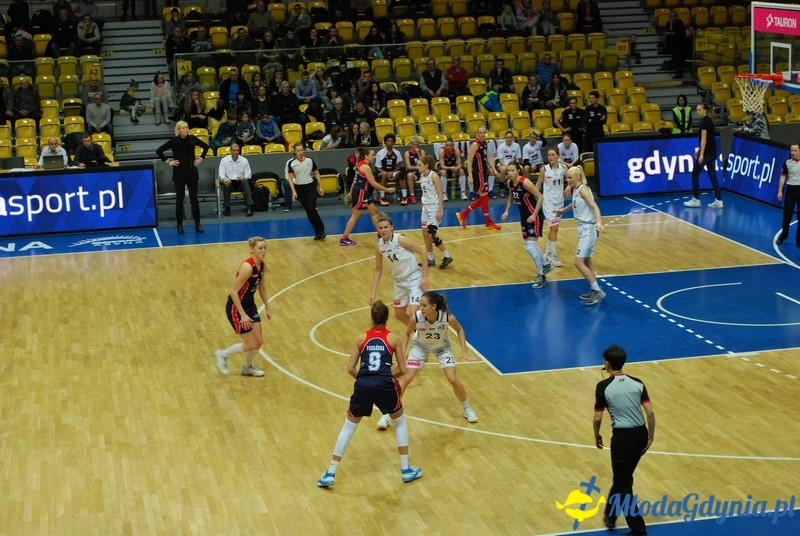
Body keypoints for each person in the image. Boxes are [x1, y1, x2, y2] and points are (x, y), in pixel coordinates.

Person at [316, 300, 421, 488]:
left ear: (372, 318)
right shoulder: (394, 339)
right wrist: (386, 377)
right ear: (387, 318)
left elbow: (350, 368)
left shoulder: (360, 338)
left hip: (363, 383)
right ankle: (406, 470)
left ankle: (330, 472)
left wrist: (364, 378)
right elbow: (403, 370)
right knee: (400, 422)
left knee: (348, 428)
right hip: (384, 383)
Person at [375, 290, 477, 430]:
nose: (420, 308)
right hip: (420, 347)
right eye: (420, 305)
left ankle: (467, 408)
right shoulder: (416, 318)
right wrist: (402, 356)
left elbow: (460, 330)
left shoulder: (446, 317)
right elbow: (406, 334)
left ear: (433, 306)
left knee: (452, 379)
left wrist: (464, 351)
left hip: (442, 348)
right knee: (407, 377)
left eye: (424, 305)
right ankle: (387, 414)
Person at [594, 344, 656, 536]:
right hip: (640, 434)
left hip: (622, 438)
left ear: (607, 363)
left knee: (623, 484)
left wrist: (597, 435)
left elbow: (597, 417)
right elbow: (650, 413)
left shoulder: (603, 386)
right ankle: (611, 517)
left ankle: (638, 530)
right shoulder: (638, 383)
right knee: (622, 477)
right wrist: (651, 436)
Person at [214, 237, 273, 377]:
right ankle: (222, 354)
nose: (263, 251)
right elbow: (233, 292)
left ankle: (247, 368)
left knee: (259, 341)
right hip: (236, 307)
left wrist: (268, 307)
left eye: (265, 248)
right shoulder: (247, 267)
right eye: (260, 248)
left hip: (249, 304)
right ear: (252, 249)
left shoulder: (262, 265)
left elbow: (262, 288)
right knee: (252, 343)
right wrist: (243, 314)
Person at [555, 165, 606, 305]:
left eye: (570, 178)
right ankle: (594, 288)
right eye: (566, 178)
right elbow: (575, 204)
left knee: (578, 262)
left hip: (589, 228)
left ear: (577, 177)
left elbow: (595, 206)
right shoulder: (576, 190)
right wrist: (562, 210)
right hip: (584, 228)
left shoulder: (583, 190)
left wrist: (599, 222)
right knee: (587, 261)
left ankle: (597, 291)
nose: (568, 180)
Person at [369, 212, 430, 325]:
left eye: (386, 227)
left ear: (391, 227)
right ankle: (421, 331)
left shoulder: (401, 240)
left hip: (414, 278)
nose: (383, 230)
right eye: (380, 228)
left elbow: (423, 252)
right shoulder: (378, 246)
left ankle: (421, 335)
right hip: (399, 282)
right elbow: (378, 269)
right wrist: (373, 293)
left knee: (413, 315)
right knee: (399, 315)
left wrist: (425, 278)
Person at [501, 161, 551, 289]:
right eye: (508, 171)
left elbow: (540, 197)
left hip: (534, 215)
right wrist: (507, 210)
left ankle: (541, 276)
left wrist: (534, 215)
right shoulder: (510, 183)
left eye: (512, 170)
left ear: (518, 170)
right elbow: (511, 197)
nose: (510, 173)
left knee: (530, 246)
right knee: (530, 245)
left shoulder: (525, 182)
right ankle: (545, 265)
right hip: (524, 217)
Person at [156, 121, 210, 234]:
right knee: (179, 200)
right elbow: (159, 151)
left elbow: (206, 147)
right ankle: (179, 226)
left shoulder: (192, 138)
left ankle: (198, 224)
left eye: (187, 127)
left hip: (192, 172)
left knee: (194, 199)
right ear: (179, 130)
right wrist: (168, 161)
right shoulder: (174, 141)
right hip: (179, 173)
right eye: (183, 128)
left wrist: (201, 159)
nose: (186, 129)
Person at [340, 147, 396, 246]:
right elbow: (373, 183)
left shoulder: (359, 163)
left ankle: (380, 234)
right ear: (366, 156)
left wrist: (351, 192)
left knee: (374, 212)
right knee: (355, 216)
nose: (373, 157)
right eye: (372, 155)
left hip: (361, 192)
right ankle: (344, 238)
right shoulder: (366, 167)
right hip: (361, 193)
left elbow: (355, 179)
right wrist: (387, 190)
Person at [456, 126, 502, 231]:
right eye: (480, 133)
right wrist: (470, 176)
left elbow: (488, 157)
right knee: (485, 197)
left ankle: (463, 214)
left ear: (486, 133)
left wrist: (494, 169)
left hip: (483, 172)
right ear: (477, 134)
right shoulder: (475, 144)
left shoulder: (485, 144)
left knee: (483, 198)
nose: (482, 134)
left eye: (483, 132)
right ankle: (488, 222)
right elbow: (469, 160)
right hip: (478, 173)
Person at [684, 103, 723, 209]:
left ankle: (696, 199)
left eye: (699, 110)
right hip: (712, 152)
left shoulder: (704, 122)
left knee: (695, 173)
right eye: (696, 110)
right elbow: (709, 139)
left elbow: (704, 139)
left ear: (705, 110)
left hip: (706, 154)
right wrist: (700, 151)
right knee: (712, 175)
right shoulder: (709, 121)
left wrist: (701, 154)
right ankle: (718, 200)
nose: (697, 112)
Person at [417, 156, 453, 269]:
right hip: (426, 208)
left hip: (434, 208)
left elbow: (441, 193)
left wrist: (439, 210)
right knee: (424, 234)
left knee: (431, 234)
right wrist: (423, 203)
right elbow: (425, 191)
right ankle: (430, 258)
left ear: (426, 165)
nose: (417, 167)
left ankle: (447, 256)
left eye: (419, 165)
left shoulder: (434, 176)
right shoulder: (422, 175)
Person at [536, 147, 569, 268]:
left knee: (554, 229)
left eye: (553, 155)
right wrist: (536, 197)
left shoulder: (563, 168)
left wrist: (568, 187)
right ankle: (553, 255)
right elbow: (538, 184)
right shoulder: (544, 169)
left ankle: (548, 253)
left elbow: (569, 180)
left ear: (558, 156)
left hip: (559, 202)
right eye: (549, 155)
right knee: (554, 227)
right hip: (548, 202)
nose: (550, 157)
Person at [286, 143, 326, 240]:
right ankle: (318, 231)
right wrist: (293, 191)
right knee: (308, 211)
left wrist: (320, 186)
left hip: (310, 187)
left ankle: (321, 229)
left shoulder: (310, 161)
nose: (300, 152)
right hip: (300, 188)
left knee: (312, 208)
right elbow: (290, 179)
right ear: (295, 152)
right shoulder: (292, 164)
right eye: (298, 150)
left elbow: (316, 173)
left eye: (301, 150)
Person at [218, 143, 254, 218]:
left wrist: (243, 177)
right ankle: (227, 208)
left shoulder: (244, 160)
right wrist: (225, 178)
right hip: (230, 182)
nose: (236, 152)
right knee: (226, 183)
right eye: (234, 150)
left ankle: (249, 207)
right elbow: (220, 174)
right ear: (230, 150)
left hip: (240, 183)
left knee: (245, 181)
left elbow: (249, 174)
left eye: (237, 150)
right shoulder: (224, 160)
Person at [777, 143, 800, 246]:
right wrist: (780, 191)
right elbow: (783, 177)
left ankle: (799, 239)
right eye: (791, 151)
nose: (793, 153)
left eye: (795, 150)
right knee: (787, 216)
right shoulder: (787, 162)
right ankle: (784, 235)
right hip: (790, 190)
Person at [375, 133, 403, 206]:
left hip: (393, 173)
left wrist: (393, 172)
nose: (390, 143)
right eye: (388, 141)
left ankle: (405, 196)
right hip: (382, 174)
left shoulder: (397, 153)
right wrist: (387, 173)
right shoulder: (380, 153)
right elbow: (378, 168)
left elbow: (398, 166)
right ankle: (382, 197)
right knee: (384, 174)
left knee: (401, 174)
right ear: (385, 142)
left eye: (391, 141)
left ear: (393, 142)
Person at [494, 130, 522, 198]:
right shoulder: (501, 146)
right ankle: (501, 189)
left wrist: (517, 165)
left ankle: (519, 187)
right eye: (507, 137)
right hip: (502, 164)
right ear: (505, 138)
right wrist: (508, 167)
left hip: (513, 164)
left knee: (521, 168)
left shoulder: (517, 145)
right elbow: (500, 160)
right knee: (503, 169)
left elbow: (517, 159)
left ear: (513, 138)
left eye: (510, 137)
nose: (509, 139)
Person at [402, 136, 425, 205]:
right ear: (411, 144)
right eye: (414, 144)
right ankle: (412, 195)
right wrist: (419, 168)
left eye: (417, 144)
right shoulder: (407, 153)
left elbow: (424, 163)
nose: (415, 146)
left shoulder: (422, 152)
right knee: (409, 175)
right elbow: (409, 167)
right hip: (413, 173)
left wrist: (418, 153)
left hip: (421, 172)